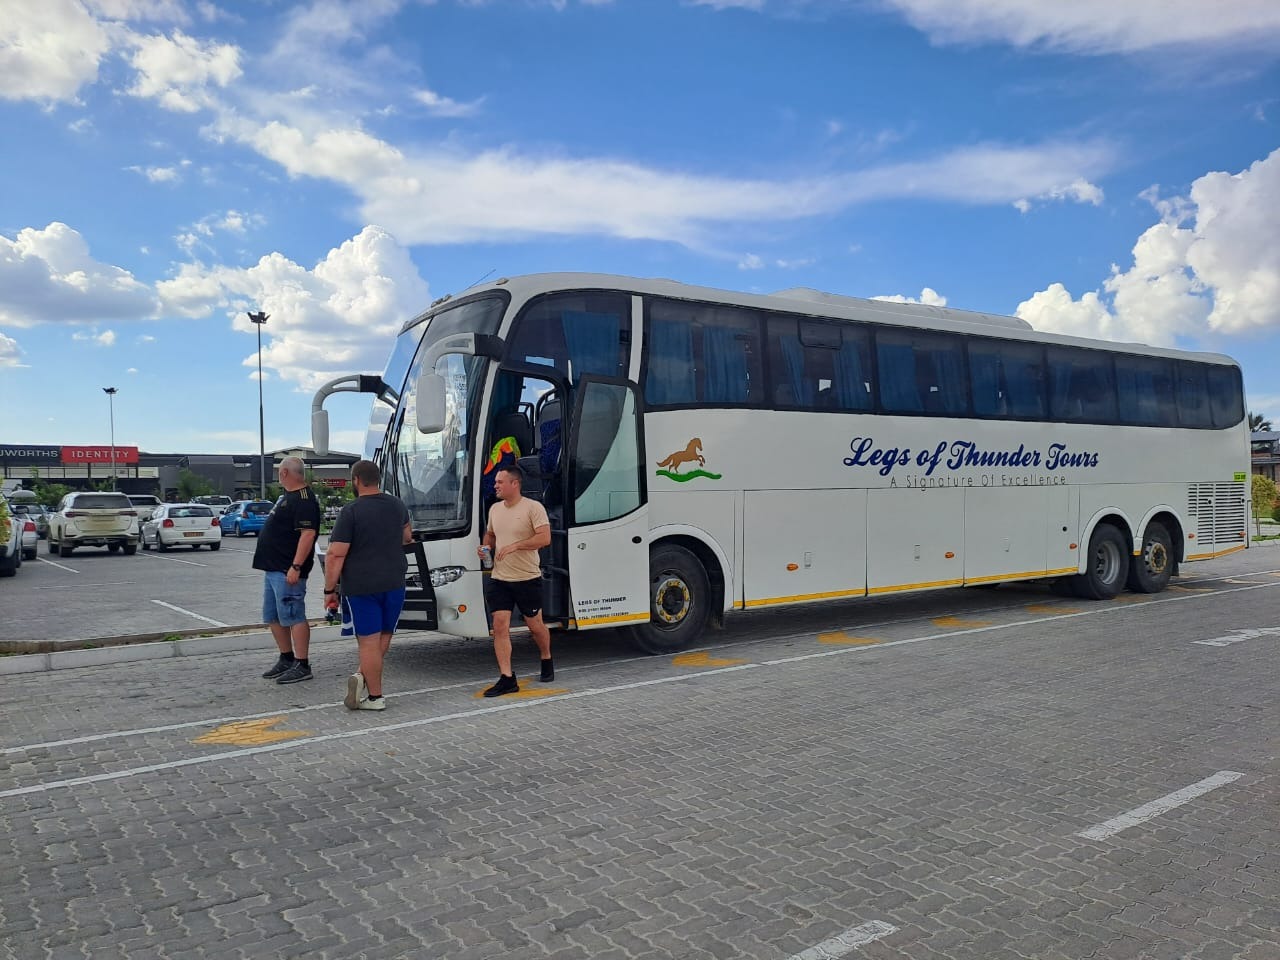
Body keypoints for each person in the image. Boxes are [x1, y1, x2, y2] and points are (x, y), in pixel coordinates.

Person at [321, 460, 412, 711]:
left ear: (356, 480)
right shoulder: (397, 505)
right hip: (394, 581)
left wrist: (330, 590)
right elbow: (407, 537)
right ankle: (362, 676)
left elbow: (335, 554)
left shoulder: (351, 511)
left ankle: (375, 697)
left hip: (362, 585)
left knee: (368, 642)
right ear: (378, 479)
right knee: (385, 635)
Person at [478, 464, 553, 696]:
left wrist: (515, 546)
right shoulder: (495, 509)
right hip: (500, 578)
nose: (496, 485)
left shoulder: (533, 508)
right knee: (500, 626)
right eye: (496, 482)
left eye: (500, 482)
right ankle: (507, 678)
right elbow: (490, 534)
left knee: (535, 625)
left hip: (527, 578)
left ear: (515, 484)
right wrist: (485, 547)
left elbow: (545, 538)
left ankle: (546, 657)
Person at [255, 456, 322, 684]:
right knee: (273, 616)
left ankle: (302, 664)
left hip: (288, 570)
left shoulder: (303, 499)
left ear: (284, 473)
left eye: (279, 472)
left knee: (294, 615)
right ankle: (286, 657)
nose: (278, 476)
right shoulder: (287, 497)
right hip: (273, 568)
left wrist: (296, 566)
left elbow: (308, 534)